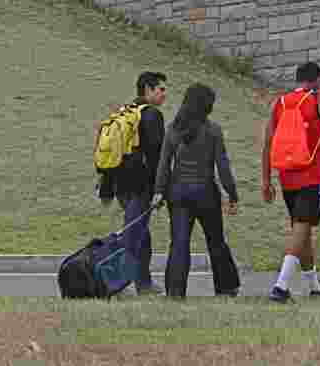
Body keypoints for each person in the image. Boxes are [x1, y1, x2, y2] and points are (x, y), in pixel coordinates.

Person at [261, 61, 320, 303]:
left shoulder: (280, 103)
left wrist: (266, 180)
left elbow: (268, 143)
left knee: (303, 230)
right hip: (312, 176)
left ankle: (315, 286)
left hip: (287, 176)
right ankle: (281, 285)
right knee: (301, 228)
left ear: (298, 80)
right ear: (318, 80)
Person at [152, 83, 241, 299]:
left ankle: (175, 290)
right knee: (216, 241)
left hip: (178, 194)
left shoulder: (173, 129)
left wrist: (159, 192)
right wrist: (232, 194)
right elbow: (223, 167)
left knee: (179, 242)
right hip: (206, 193)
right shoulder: (213, 131)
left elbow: (164, 165)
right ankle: (226, 288)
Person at [96, 71, 168, 295]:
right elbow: (158, 156)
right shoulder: (151, 115)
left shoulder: (125, 112)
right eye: (161, 89)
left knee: (140, 233)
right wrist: (160, 189)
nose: (164, 94)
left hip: (121, 185)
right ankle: (112, 284)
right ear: (147, 89)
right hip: (141, 186)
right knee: (132, 235)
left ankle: (143, 283)